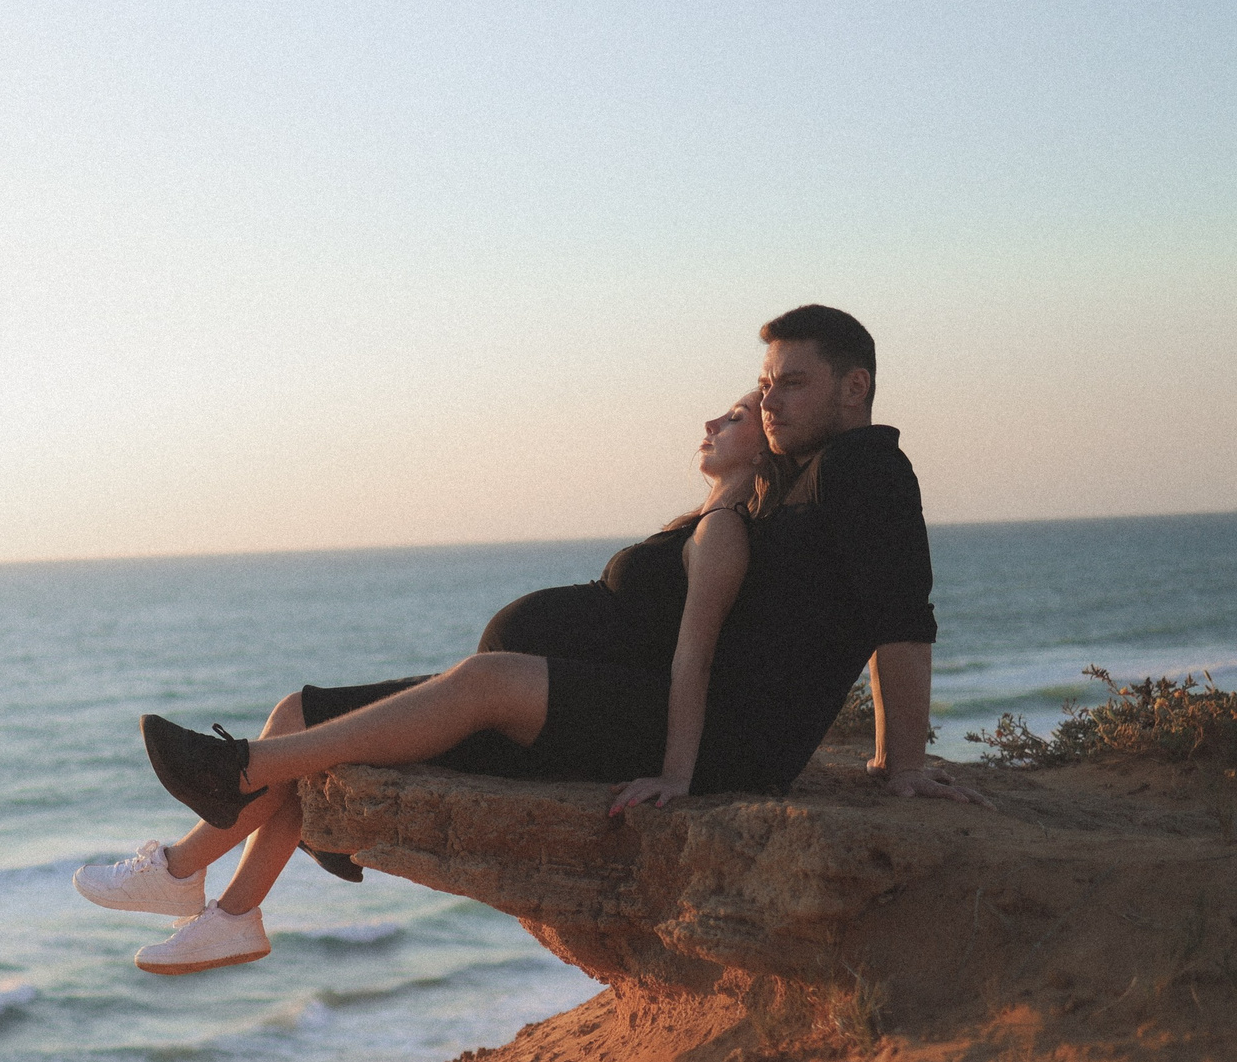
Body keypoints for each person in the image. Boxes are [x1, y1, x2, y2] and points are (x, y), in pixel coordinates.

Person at [75, 305, 981, 976]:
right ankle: (217, 899)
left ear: (855, 386)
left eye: (793, 382)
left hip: (718, 742)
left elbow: (899, 615)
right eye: (766, 385)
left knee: (484, 679)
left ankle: (238, 777)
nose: (771, 401)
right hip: (640, 710)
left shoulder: (867, 467)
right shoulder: (790, 487)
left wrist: (898, 764)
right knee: (306, 711)